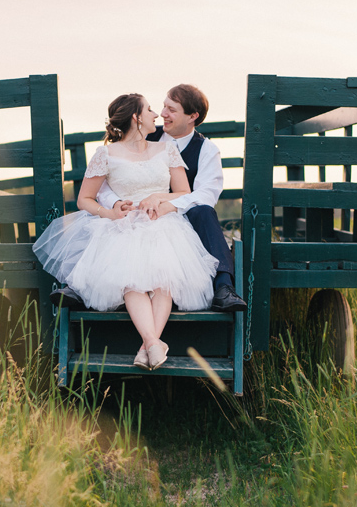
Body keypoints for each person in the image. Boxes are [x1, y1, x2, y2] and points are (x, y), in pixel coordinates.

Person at [33, 94, 219, 370]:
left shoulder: (167, 151)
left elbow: (183, 192)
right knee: (131, 282)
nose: (156, 114)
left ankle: (148, 346)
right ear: (136, 117)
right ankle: (154, 343)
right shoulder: (105, 154)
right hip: (124, 225)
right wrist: (110, 212)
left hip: (162, 224)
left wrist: (159, 196)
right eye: (150, 109)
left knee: (163, 280)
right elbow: (85, 199)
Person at [53, 84, 247, 312]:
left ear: (192, 116)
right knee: (102, 226)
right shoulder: (143, 134)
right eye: (162, 107)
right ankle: (80, 286)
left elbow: (206, 195)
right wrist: (116, 203)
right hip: (132, 214)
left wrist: (165, 203)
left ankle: (223, 287)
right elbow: (105, 182)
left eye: (171, 109)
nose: (162, 113)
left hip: (183, 219)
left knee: (203, 211)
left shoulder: (206, 150)